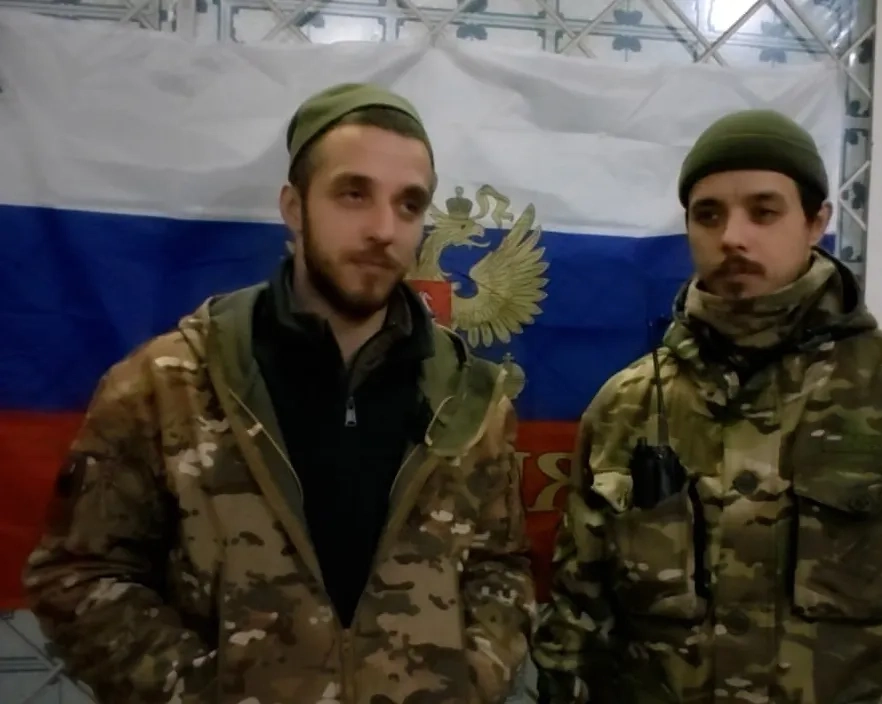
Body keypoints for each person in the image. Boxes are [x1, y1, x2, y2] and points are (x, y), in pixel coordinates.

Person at [23, 83, 536, 703]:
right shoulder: (168, 383)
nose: (384, 229)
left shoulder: (471, 400)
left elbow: (500, 568)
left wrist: (468, 683)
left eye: (408, 204)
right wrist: (202, 692)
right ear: (294, 207)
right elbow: (79, 575)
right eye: (353, 194)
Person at [531, 109, 882, 703]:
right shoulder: (628, 405)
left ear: (816, 222)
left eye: (764, 211)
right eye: (709, 215)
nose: (733, 236)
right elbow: (577, 619)